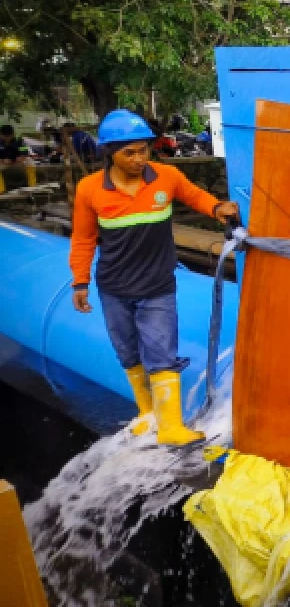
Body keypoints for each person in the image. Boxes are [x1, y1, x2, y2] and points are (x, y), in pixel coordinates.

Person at [69, 109, 239, 446]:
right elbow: (83, 238)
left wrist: (218, 208)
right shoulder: (90, 190)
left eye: (142, 150)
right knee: (128, 351)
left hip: (157, 285)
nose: (137, 158)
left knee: (161, 350)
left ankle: (172, 426)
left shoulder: (166, 177)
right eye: (128, 152)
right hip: (114, 286)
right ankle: (147, 412)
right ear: (110, 154)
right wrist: (79, 281)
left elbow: (195, 196)